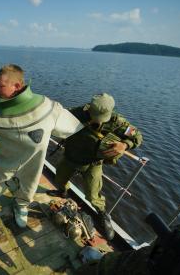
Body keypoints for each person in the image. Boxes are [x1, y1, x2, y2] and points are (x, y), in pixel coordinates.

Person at [0, 64, 83, 228]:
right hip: (5, 157)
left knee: (28, 185)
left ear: (17, 86)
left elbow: (73, 126)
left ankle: (21, 206)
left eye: (1, 85)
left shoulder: (47, 106)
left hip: (32, 162)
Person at [48, 93, 143, 240]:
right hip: (71, 157)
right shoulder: (78, 112)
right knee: (59, 179)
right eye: (93, 115)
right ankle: (63, 192)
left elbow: (137, 137)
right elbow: (56, 116)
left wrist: (124, 145)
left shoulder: (118, 122)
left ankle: (103, 215)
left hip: (93, 163)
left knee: (93, 195)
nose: (95, 119)